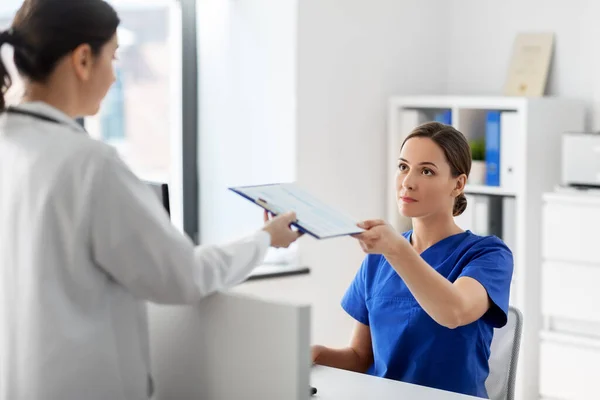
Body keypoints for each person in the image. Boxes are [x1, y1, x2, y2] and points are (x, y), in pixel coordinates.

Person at [0, 1, 301, 399]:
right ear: (84, 59)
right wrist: (264, 239)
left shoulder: (11, 147)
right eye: (114, 56)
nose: (115, 75)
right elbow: (184, 277)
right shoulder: (90, 164)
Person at [311, 122, 513, 398]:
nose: (408, 182)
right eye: (403, 167)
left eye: (426, 171)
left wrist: (396, 249)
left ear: (458, 183)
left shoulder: (488, 254)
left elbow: (454, 312)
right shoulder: (379, 258)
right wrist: (315, 354)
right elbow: (360, 357)